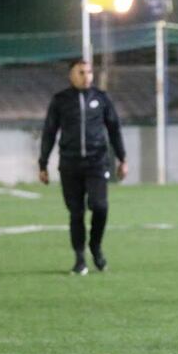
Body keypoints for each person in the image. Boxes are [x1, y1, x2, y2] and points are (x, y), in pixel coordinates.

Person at [39, 59, 127, 275]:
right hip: (69, 164)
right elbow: (49, 132)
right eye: (81, 72)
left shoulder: (101, 98)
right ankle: (80, 260)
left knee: (100, 206)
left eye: (89, 72)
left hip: (97, 162)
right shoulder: (60, 100)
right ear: (71, 75)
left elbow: (114, 128)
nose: (86, 75)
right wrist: (43, 163)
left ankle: (95, 246)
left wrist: (122, 158)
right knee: (76, 213)